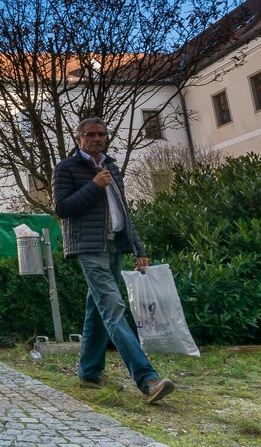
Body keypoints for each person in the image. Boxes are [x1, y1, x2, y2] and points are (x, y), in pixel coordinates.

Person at [53, 117, 175, 404]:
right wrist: (94, 185)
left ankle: (90, 372)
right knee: (113, 307)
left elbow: (123, 211)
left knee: (98, 309)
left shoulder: (111, 166)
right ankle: (147, 379)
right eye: (90, 135)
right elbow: (62, 208)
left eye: (102, 135)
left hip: (114, 246)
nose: (97, 139)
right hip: (88, 247)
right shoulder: (66, 168)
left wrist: (138, 248)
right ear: (79, 138)